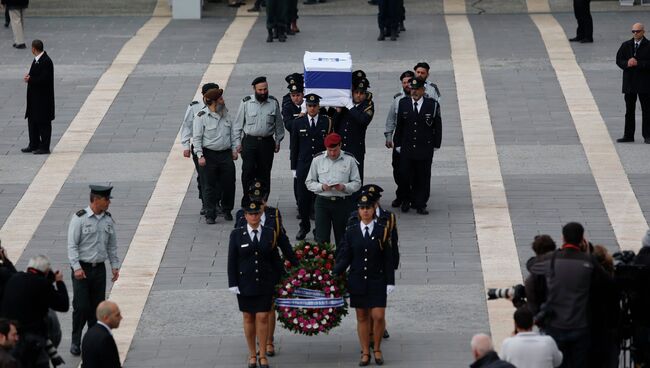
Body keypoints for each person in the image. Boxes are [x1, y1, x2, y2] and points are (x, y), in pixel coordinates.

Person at [526, 222, 611, 368]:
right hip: (580, 325)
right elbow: (608, 283)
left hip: (555, 324)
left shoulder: (552, 259)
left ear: (563, 238)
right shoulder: (588, 261)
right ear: (581, 239)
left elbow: (532, 266)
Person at [233, 180, 298, 357]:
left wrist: (296, 264)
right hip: (248, 272)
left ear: (265, 201)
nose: (258, 204)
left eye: (260, 200)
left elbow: (282, 241)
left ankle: (268, 341)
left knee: (268, 309)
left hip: (269, 268)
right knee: (249, 314)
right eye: (254, 199)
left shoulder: (273, 216)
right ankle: (255, 346)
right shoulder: (242, 215)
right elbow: (236, 247)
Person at [334, 194, 394, 366]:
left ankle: (377, 349)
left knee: (378, 315)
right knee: (362, 317)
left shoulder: (382, 230)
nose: (365, 211)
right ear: (358, 211)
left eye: (368, 208)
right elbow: (346, 257)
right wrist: (334, 273)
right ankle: (366, 351)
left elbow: (387, 259)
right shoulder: (351, 231)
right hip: (358, 280)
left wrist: (390, 281)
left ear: (373, 209)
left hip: (377, 280)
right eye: (362, 208)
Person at [228, 199, 285, 368]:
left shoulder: (268, 232)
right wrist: (233, 283)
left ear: (261, 214)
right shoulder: (237, 234)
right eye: (250, 214)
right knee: (248, 317)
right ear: (244, 215)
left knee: (262, 317)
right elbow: (232, 261)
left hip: (265, 282)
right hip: (245, 282)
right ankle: (252, 353)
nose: (253, 216)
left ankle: (262, 355)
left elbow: (275, 258)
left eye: (256, 213)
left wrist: (283, 278)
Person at [67, 185, 120, 356]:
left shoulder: (108, 219)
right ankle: (75, 341)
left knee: (98, 308)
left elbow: (112, 245)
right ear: (96, 200)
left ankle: (92, 340)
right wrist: (76, 268)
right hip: (82, 269)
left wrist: (114, 265)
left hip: (99, 269)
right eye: (106, 200)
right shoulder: (79, 219)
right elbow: (72, 245)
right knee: (81, 307)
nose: (108, 203)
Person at [346, 184, 399, 340]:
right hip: (361, 264)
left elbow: (392, 242)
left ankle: (379, 327)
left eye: (374, 201)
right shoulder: (354, 216)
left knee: (377, 305)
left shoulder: (388, 217)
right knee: (364, 306)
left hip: (380, 264)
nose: (371, 205)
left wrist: (393, 262)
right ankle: (369, 332)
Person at [1, 255, 69, 368]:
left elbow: (16, 274)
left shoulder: (15, 278)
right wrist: (59, 282)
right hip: (33, 340)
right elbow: (64, 305)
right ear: (46, 272)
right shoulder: (42, 284)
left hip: (14, 337)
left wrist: (6, 260)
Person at [234, 76, 284, 207]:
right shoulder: (246, 103)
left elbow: (279, 124)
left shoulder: (273, 102)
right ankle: (247, 199)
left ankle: (263, 200)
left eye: (265, 89)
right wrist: (237, 143)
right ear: (254, 89)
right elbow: (238, 125)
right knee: (248, 170)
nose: (263, 92)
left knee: (265, 172)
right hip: (250, 142)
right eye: (260, 90)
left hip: (267, 143)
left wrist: (278, 141)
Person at [394, 77, 442, 214]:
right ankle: (406, 200)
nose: (414, 92)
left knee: (423, 176)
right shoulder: (403, 103)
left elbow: (437, 126)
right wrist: (397, 143)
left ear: (423, 90)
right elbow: (400, 126)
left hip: (424, 147)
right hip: (407, 147)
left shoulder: (432, 105)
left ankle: (420, 203)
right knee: (404, 175)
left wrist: (436, 144)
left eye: (417, 89)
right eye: (412, 89)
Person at [306, 133, 361, 246]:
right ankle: (324, 263)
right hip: (322, 202)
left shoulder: (349, 159)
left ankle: (341, 262)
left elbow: (357, 183)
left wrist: (344, 187)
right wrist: (321, 187)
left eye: (335, 150)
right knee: (321, 237)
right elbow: (309, 182)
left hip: (341, 203)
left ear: (340, 145)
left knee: (342, 237)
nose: (332, 153)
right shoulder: (318, 159)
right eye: (329, 150)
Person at [290, 94, 333, 240]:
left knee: (319, 198)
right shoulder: (298, 123)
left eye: (315, 106)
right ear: (306, 106)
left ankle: (318, 228)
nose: (312, 108)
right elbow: (294, 147)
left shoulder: (326, 121)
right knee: (303, 199)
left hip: (321, 166)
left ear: (318, 106)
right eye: (309, 105)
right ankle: (304, 226)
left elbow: (330, 144)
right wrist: (294, 168)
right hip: (304, 165)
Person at [193, 87, 237, 224]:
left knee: (229, 183)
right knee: (209, 186)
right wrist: (200, 155)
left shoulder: (226, 114)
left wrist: (235, 149)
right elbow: (197, 138)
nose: (223, 101)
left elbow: (233, 134)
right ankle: (210, 213)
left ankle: (227, 209)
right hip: (209, 154)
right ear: (213, 102)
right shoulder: (201, 117)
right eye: (220, 99)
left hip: (225, 154)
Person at [181, 82, 221, 217]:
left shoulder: (221, 105)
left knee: (219, 176)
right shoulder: (194, 106)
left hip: (217, 147)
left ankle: (217, 202)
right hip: (200, 147)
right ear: (204, 96)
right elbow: (186, 125)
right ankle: (206, 203)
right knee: (204, 177)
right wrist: (186, 145)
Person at [333, 78, 374, 182]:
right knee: (340, 175)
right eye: (356, 92)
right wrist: (338, 112)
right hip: (341, 146)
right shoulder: (345, 102)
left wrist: (350, 107)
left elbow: (363, 120)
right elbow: (333, 124)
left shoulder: (368, 106)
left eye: (361, 93)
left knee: (356, 176)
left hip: (356, 147)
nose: (358, 95)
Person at [615, 23, 650, 144]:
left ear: (643, 32)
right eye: (633, 31)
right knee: (629, 109)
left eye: (638, 31)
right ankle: (628, 135)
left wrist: (639, 63)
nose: (635, 33)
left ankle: (648, 135)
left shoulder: (648, 45)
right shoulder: (626, 45)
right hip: (630, 83)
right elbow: (619, 60)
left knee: (647, 109)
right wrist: (627, 63)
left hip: (644, 83)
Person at [385, 70, 414, 208]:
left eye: (409, 81)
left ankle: (407, 197)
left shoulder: (422, 97)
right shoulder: (397, 99)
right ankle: (401, 193)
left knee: (410, 170)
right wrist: (389, 136)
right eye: (404, 82)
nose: (407, 85)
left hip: (414, 141)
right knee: (397, 169)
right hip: (400, 139)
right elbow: (391, 119)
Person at [21, 39, 54, 155]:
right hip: (35, 99)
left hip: (43, 100)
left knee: (43, 123)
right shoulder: (37, 60)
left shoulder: (46, 61)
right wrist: (30, 77)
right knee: (33, 121)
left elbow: (44, 80)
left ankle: (45, 147)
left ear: (34, 49)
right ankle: (33, 143)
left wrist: (30, 79)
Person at [281, 75, 305, 210]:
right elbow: (289, 125)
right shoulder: (288, 106)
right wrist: (301, 118)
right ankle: (300, 204)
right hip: (297, 147)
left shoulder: (309, 105)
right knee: (298, 177)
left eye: (298, 95)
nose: (296, 98)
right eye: (293, 95)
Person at [80, 301, 122, 368]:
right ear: (106, 318)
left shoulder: (89, 333)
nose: (121, 318)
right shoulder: (106, 339)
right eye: (117, 315)